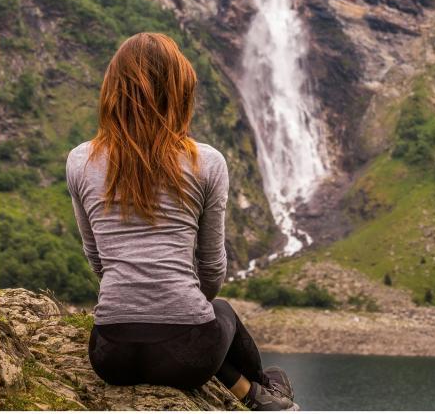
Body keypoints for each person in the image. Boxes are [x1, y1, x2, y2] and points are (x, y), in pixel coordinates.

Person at [66, 32, 299, 411]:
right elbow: (211, 266)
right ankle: (261, 392)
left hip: (110, 356)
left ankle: (259, 392)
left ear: (112, 90)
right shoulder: (206, 162)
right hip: (189, 358)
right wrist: (178, 305)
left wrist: (136, 304)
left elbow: (97, 260)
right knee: (221, 310)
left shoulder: (79, 160)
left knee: (191, 321)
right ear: (180, 92)